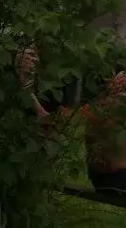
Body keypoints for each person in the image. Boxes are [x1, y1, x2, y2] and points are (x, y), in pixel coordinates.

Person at [16, 45, 126, 194]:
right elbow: (58, 120)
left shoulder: (104, 104)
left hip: (108, 176)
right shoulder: (109, 106)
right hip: (114, 178)